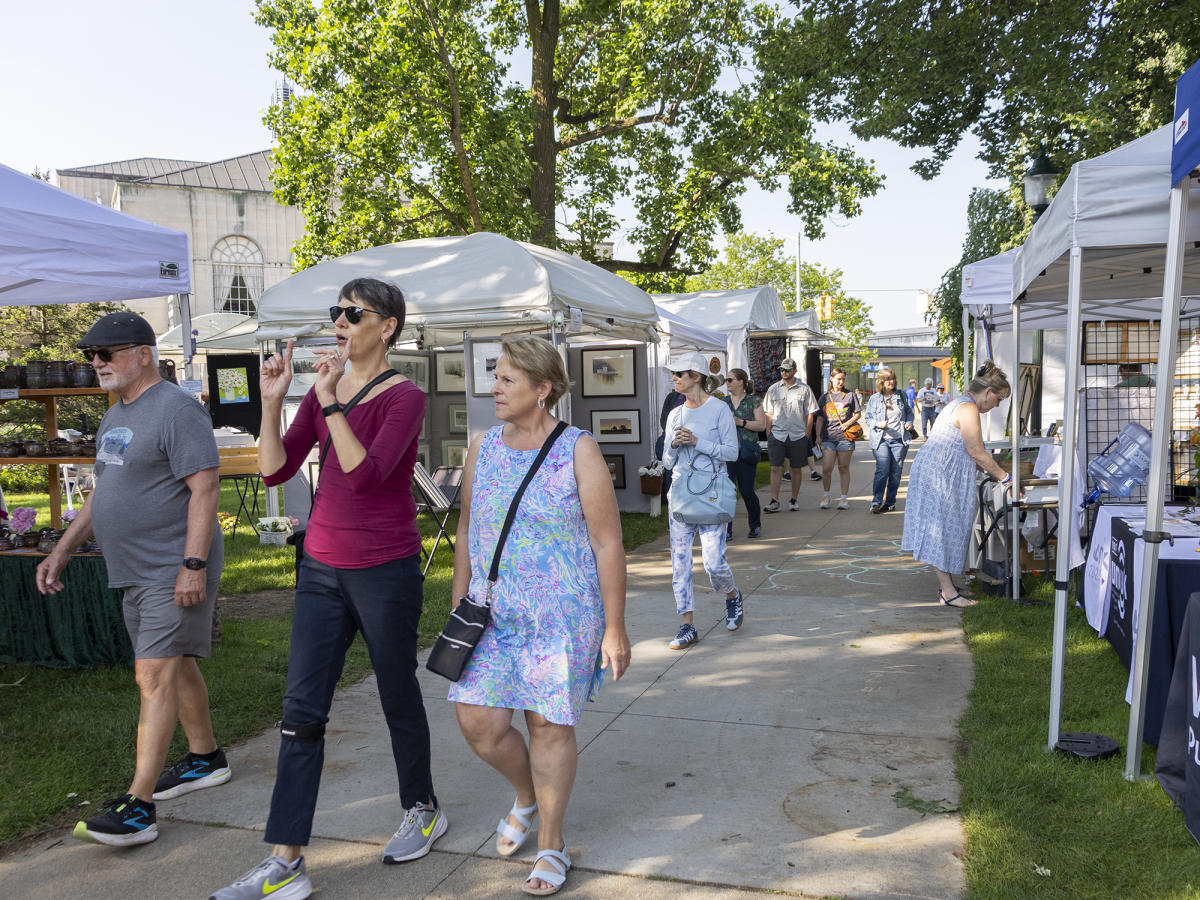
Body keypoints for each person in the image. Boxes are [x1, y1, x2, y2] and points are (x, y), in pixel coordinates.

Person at [211, 278, 442, 900]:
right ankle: (285, 861)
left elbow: (365, 476)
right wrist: (271, 401)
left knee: (397, 691)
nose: (339, 321)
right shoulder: (319, 394)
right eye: (335, 312)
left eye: (352, 313)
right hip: (319, 568)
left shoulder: (404, 398)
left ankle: (422, 806)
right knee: (300, 712)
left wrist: (331, 402)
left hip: (385, 569)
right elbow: (273, 469)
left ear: (387, 326)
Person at [36, 312, 228, 847]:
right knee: (175, 665)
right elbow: (103, 492)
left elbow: (205, 489)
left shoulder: (177, 409)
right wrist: (64, 550)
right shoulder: (115, 415)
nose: (96, 363)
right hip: (134, 569)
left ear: (143, 352)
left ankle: (138, 806)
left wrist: (192, 565)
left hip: (171, 566)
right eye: (90, 355)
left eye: (107, 353)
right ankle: (206, 757)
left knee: (152, 677)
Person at [449, 334, 630, 897]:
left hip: (562, 613)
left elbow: (607, 542)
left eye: (506, 379)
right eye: (495, 376)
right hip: (493, 614)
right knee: (478, 723)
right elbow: (466, 532)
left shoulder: (578, 448)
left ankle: (551, 843)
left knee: (548, 725)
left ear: (542, 388)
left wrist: (615, 626)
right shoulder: (482, 446)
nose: (494, 387)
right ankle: (526, 796)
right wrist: (460, 602)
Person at [901, 361, 1014, 608]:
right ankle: (948, 592)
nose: (997, 405)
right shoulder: (968, 409)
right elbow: (977, 451)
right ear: (987, 392)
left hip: (940, 472)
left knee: (946, 528)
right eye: (999, 399)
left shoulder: (961, 404)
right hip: (939, 475)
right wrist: (1006, 478)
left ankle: (949, 586)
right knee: (940, 530)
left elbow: (970, 451)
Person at [662, 351, 742, 647]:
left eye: (679, 373)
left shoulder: (719, 410)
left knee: (713, 562)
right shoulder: (675, 413)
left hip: (710, 494)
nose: (674, 378)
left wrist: (698, 442)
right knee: (680, 564)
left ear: (696, 377)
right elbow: (668, 461)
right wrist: (673, 443)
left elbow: (731, 452)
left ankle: (732, 595)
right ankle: (687, 625)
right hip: (681, 495)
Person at [761, 358, 818, 512]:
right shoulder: (773, 389)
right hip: (777, 434)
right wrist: (769, 432)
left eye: (787, 369)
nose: (784, 372)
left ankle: (794, 499)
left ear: (795, 370)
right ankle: (774, 500)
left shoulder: (805, 389)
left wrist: (807, 433)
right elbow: (768, 412)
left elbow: (810, 412)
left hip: (797, 434)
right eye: (781, 370)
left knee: (796, 469)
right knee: (775, 468)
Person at [863, 368, 916, 513]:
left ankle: (890, 502)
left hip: (899, 440)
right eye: (887, 379)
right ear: (881, 382)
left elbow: (910, 413)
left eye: (892, 378)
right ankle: (876, 502)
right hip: (881, 440)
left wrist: (909, 423)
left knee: (895, 473)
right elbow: (868, 418)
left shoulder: (901, 395)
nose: (891, 381)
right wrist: (877, 424)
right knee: (882, 469)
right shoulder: (874, 398)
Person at [722, 368, 766, 538]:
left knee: (747, 490)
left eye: (730, 380)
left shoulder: (753, 401)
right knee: (727, 491)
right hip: (727, 452)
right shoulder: (723, 402)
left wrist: (740, 422)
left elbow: (761, 426)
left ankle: (755, 525)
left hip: (746, 451)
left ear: (741, 382)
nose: (727, 383)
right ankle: (727, 529)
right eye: (726, 380)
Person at [814, 367, 863, 510]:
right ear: (831, 379)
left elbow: (858, 413)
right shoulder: (824, 397)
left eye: (843, 379)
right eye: (838, 379)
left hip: (845, 437)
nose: (841, 382)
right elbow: (820, 419)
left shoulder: (850, 395)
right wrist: (817, 436)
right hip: (827, 437)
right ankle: (826, 495)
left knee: (843, 467)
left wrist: (847, 423)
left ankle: (843, 498)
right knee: (827, 467)